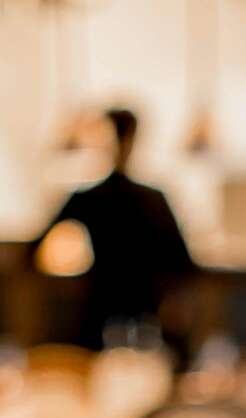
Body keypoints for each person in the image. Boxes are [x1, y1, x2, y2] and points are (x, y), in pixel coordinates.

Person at [35, 106, 196, 349]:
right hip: (140, 309)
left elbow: (32, 249)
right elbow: (182, 260)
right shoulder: (151, 200)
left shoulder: (91, 198)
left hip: (105, 306)